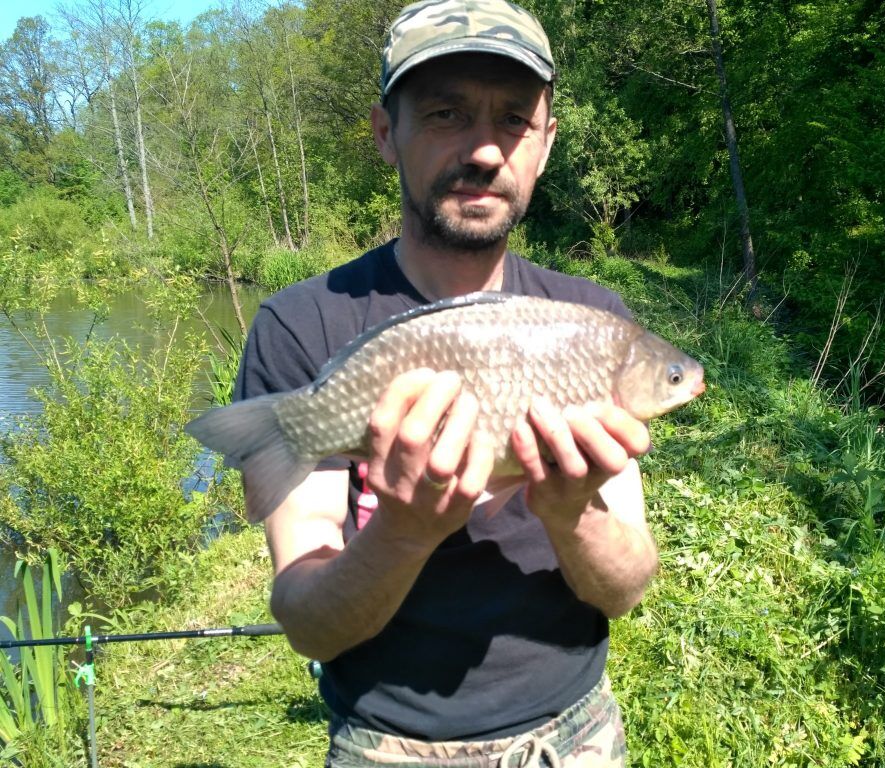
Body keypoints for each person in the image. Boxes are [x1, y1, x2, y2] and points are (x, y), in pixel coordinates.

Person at [234, 1, 659, 765]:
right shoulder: (299, 327)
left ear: (546, 143)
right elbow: (307, 625)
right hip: (387, 743)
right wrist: (406, 529)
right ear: (384, 133)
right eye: (445, 114)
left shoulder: (596, 324)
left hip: (576, 731)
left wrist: (569, 514)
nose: (485, 150)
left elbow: (625, 591)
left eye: (514, 120)